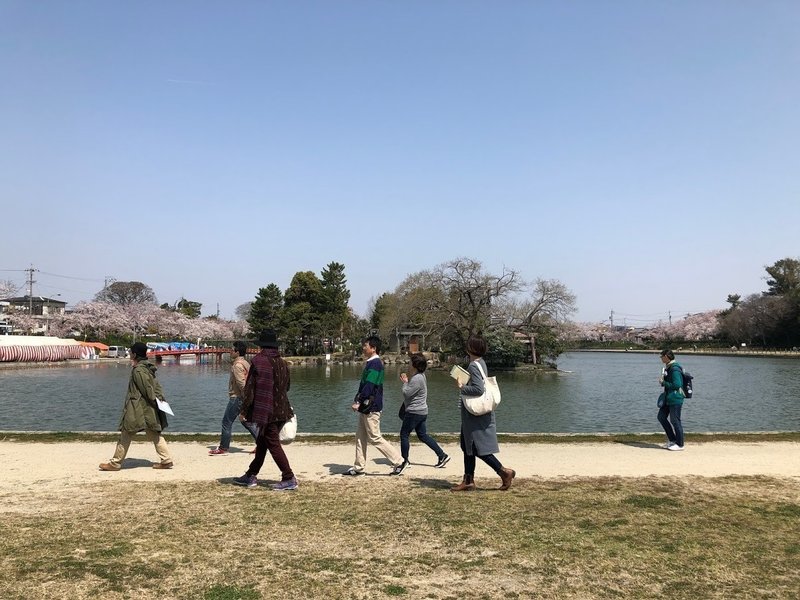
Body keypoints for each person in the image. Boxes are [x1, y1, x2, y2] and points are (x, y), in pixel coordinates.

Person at [233, 330, 297, 491]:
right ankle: (251, 474)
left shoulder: (258, 361)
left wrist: (244, 410)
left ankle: (289, 477)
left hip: (266, 410)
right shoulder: (282, 363)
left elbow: (250, 388)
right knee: (262, 442)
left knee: (273, 444)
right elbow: (287, 386)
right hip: (282, 408)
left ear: (261, 345)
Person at [451, 335, 515, 491]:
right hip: (474, 415)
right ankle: (468, 479)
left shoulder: (473, 365)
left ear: (471, 348)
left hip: (473, 415)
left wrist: (461, 386)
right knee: (468, 447)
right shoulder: (481, 363)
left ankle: (503, 472)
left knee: (476, 448)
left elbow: (478, 389)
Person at [99, 342, 173, 471]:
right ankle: (166, 460)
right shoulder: (146, 368)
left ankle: (115, 463)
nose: (129, 354)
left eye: (130, 352)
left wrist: (154, 403)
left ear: (134, 354)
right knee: (154, 433)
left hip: (139, 408)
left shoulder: (139, 370)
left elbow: (147, 390)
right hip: (146, 408)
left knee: (126, 432)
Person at [345, 336, 405, 476]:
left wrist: (359, 401)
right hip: (366, 407)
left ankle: (399, 461)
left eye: (366, 345)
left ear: (373, 348)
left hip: (371, 407)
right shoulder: (371, 363)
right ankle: (359, 467)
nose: (363, 348)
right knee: (360, 436)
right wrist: (358, 399)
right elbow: (365, 385)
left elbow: (369, 386)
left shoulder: (375, 364)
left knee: (374, 437)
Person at [398, 353, 449, 469]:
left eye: (410, 363)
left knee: (404, 435)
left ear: (415, 365)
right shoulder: (420, 376)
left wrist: (405, 382)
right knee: (422, 436)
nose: (409, 364)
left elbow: (406, 393)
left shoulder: (417, 378)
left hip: (414, 412)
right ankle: (442, 455)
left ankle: (404, 461)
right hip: (421, 411)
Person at [209, 341, 259, 455]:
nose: (230, 352)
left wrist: (246, 398)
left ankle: (223, 447)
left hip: (237, 397)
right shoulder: (246, 363)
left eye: (232, 350)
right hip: (244, 397)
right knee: (246, 421)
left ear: (237, 352)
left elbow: (242, 383)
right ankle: (261, 443)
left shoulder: (237, 365)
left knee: (226, 422)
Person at [657, 349, 686, 451]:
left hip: (675, 398)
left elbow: (677, 384)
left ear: (666, 356)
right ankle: (673, 440)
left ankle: (680, 444)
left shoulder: (674, 369)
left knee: (675, 421)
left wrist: (664, 383)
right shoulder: (668, 368)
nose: (660, 358)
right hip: (668, 398)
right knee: (661, 417)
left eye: (661, 356)